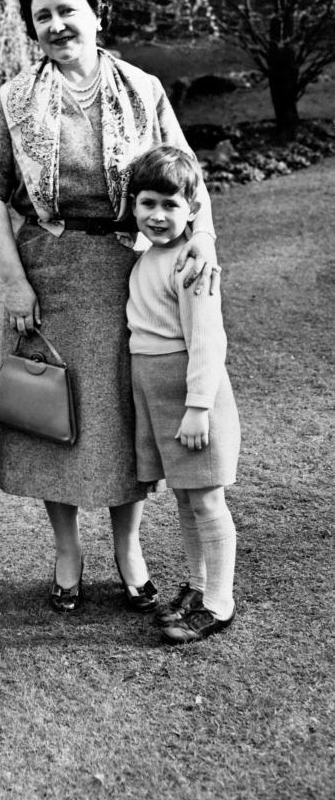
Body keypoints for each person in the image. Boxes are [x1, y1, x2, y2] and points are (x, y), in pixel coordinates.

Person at [0, 0, 219, 613]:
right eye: (42, 16)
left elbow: (187, 177)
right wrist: (13, 281)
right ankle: (66, 552)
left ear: (94, 15)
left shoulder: (142, 88)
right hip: (45, 279)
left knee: (116, 419)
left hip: (124, 273)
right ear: (33, 29)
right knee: (51, 414)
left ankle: (129, 549)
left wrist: (203, 256)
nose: (56, 24)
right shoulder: (15, 99)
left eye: (66, 10)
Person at [126, 145, 240, 643]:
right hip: (156, 391)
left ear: (193, 210)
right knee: (187, 499)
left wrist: (198, 408)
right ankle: (198, 586)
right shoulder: (148, 257)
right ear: (134, 206)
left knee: (208, 500)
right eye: (148, 202)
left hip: (192, 397)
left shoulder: (193, 265)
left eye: (172, 205)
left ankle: (219, 602)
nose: (158, 215)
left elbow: (208, 342)